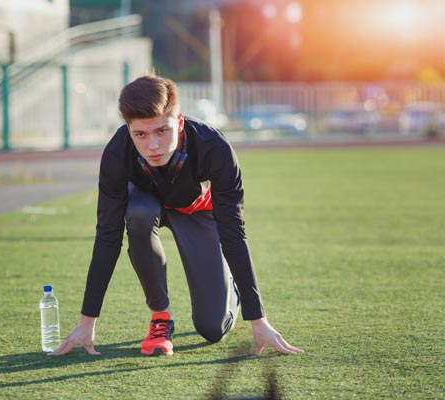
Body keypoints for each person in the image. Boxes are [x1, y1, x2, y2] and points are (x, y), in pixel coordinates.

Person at [51, 74, 303, 357]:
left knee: (212, 329)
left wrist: (258, 319)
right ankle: (161, 318)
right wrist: (87, 321)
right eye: (141, 135)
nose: (153, 146)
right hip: (147, 208)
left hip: (196, 212)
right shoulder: (117, 152)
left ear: (179, 122)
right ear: (128, 130)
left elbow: (233, 232)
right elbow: (108, 236)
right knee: (138, 212)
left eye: (162, 131)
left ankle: (230, 285)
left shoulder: (214, 149)